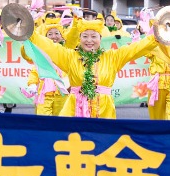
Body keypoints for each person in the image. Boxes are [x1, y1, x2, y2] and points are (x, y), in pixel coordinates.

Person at [29, 17, 158, 118]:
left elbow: (134, 49)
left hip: (103, 109)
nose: (89, 40)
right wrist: (30, 33)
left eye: (93, 36)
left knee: (103, 143)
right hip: (74, 108)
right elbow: (50, 47)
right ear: (79, 39)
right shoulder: (70, 57)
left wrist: (155, 37)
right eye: (85, 36)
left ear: (100, 38)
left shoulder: (112, 57)